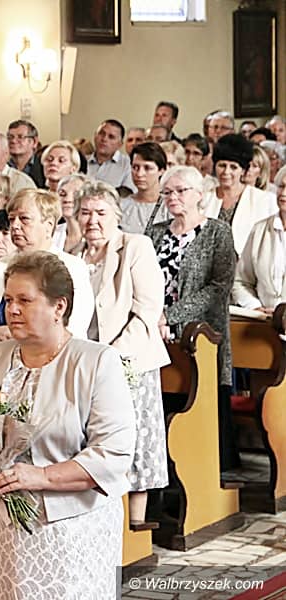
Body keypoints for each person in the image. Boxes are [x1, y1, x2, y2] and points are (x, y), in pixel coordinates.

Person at [0, 251, 135, 599]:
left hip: (67, 528)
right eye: (8, 300)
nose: (12, 310)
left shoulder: (96, 361)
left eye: (25, 300)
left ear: (59, 306)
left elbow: (114, 454)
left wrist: (42, 476)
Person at [74, 181, 170, 524]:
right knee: (93, 440)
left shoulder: (135, 247)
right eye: (85, 213)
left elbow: (147, 310)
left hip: (132, 360)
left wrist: (112, 357)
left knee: (135, 440)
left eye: (101, 213)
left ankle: (136, 523)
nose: (93, 220)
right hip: (86, 362)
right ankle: (100, 517)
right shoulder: (74, 255)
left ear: (116, 215)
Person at [148, 165, 239, 470]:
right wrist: (153, 317)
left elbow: (218, 288)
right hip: (157, 332)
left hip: (200, 334)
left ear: (199, 194)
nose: (172, 197)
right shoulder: (155, 232)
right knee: (164, 399)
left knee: (199, 400)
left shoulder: (217, 232)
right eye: (167, 192)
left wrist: (169, 316)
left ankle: (205, 470)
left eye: (180, 191)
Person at [0, 189, 94, 356]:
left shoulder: (73, 268)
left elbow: (75, 329)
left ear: (48, 225)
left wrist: (17, 339)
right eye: (12, 219)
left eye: (24, 219)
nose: (15, 226)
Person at [203, 133, 277, 254]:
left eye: (233, 167)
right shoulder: (204, 198)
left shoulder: (264, 200)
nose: (226, 172)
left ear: (243, 170)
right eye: (222, 165)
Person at [232, 166, 286, 312]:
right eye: (281, 186)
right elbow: (240, 281)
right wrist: (255, 307)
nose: (283, 193)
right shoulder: (260, 229)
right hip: (262, 320)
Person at [120, 142, 169, 234]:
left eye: (147, 168)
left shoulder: (169, 207)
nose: (139, 174)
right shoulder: (121, 206)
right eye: (135, 167)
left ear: (161, 171)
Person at [86, 119, 137, 194]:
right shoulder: (82, 161)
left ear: (120, 144)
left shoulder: (128, 164)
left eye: (111, 137)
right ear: (95, 136)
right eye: (101, 133)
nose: (104, 139)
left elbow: (128, 195)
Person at [52, 172, 90, 253]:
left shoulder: (96, 235)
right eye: (62, 194)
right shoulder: (51, 233)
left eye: (76, 194)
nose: (67, 199)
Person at [7, 120, 45, 188]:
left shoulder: (44, 167)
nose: (13, 141)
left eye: (20, 137)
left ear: (34, 142)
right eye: (10, 137)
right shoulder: (3, 167)